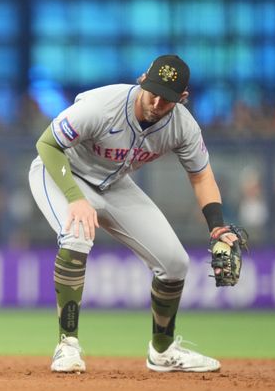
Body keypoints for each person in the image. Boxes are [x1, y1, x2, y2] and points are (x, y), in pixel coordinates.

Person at [28, 55, 241, 373]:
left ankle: (163, 351)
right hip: (60, 173)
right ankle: (67, 346)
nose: (156, 101)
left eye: (167, 98)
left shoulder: (182, 126)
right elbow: (47, 144)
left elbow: (201, 175)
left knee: (175, 263)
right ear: (143, 79)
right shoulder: (102, 105)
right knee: (77, 234)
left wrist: (217, 226)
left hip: (113, 183)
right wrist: (74, 198)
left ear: (182, 98)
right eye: (153, 90)